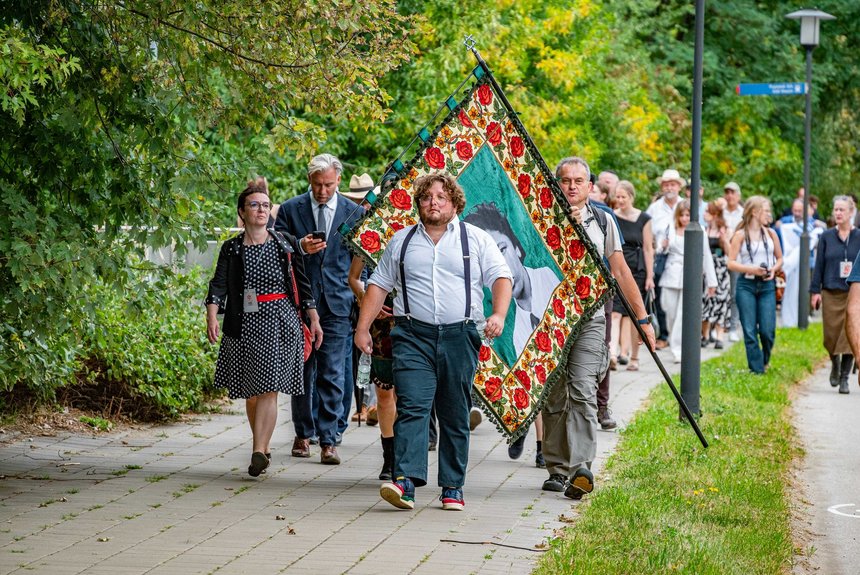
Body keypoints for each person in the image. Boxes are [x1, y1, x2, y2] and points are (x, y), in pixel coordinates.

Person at [355, 173, 513, 511]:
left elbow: (501, 276)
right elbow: (379, 285)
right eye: (427, 197)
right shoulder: (401, 241)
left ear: (455, 203)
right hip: (412, 334)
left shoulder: (477, 240)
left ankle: (452, 487)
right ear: (418, 203)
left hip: (460, 335)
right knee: (412, 406)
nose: (434, 202)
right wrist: (363, 327)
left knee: (454, 412)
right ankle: (405, 483)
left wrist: (498, 314)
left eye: (441, 197)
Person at [541, 157, 655, 500]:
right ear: (557, 184)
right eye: (565, 181)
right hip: (550, 318)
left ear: (591, 187)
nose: (572, 186)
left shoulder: (603, 221)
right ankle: (556, 468)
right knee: (555, 394)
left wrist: (643, 319)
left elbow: (620, 271)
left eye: (579, 181)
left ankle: (580, 469)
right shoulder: (542, 216)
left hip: (590, 315)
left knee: (583, 388)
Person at [205, 178, 323, 477]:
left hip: (280, 320)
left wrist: (313, 316)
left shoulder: (283, 243)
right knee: (252, 391)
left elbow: (301, 282)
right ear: (242, 212)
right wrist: (211, 315)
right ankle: (263, 443)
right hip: (243, 321)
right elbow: (218, 285)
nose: (260, 210)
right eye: (254, 205)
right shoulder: (232, 249)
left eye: (265, 206)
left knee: (269, 387)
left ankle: (259, 450)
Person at [274, 154, 364, 465]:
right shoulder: (290, 209)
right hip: (300, 300)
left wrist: (360, 293)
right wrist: (300, 245)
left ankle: (329, 439)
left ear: (338, 180)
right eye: (316, 185)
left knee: (333, 372)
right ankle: (302, 432)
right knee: (301, 370)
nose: (322, 191)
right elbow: (276, 247)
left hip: (338, 302)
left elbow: (362, 256)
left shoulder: (354, 212)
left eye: (327, 185)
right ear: (309, 181)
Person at [463, 202, 556, 466]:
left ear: (516, 246)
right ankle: (529, 430)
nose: (499, 267)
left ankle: (540, 443)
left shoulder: (551, 283)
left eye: (502, 250)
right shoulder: (514, 329)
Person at [727, 196, 783, 374]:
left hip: (767, 285)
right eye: (766, 210)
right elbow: (731, 262)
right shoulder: (740, 235)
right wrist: (750, 269)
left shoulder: (771, 234)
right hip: (746, 285)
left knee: (767, 330)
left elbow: (780, 258)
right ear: (754, 212)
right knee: (750, 330)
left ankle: (764, 361)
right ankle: (757, 370)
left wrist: (773, 269)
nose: (769, 214)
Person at [809, 196, 860, 394]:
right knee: (830, 337)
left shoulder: (859, 236)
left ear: (850, 212)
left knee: (849, 336)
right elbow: (819, 265)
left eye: (842, 210)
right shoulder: (826, 236)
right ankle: (834, 363)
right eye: (836, 209)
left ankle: (845, 377)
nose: (838, 213)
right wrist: (815, 291)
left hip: (851, 291)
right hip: (830, 291)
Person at [657, 200, 717, 363]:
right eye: (682, 215)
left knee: (682, 314)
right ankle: (673, 341)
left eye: (688, 215)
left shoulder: (701, 231)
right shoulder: (670, 230)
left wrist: (712, 281)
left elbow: (706, 256)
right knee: (669, 311)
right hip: (670, 274)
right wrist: (663, 246)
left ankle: (678, 349)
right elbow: (659, 251)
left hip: (690, 275)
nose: (684, 218)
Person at [609, 180, 654, 372]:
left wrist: (650, 276)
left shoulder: (644, 218)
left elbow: (648, 248)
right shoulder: (612, 216)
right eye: (617, 197)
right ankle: (613, 353)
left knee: (637, 315)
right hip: (618, 267)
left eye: (623, 197)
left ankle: (634, 356)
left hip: (638, 270)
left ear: (631, 197)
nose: (620, 200)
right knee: (616, 312)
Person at [647, 169, 686, 350]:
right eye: (666, 184)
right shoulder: (654, 208)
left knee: (682, 301)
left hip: (683, 257)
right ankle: (664, 334)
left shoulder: (685, 205)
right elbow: (647, 232)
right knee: (662, 300)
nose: (669, 187)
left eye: (673, 184)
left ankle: (678, 337)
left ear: (679, 187)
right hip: (661, 257)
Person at [779, 198, 824, 328]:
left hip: (807, 262)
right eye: (795, 210)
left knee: (806, 288)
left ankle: (805, 314)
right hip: (788, 264)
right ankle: (790, 317)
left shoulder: (812, 224)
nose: (797, 213)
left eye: (800, 210)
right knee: (789, 290)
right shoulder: (785, 222)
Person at [702, 200, 732, 349]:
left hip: (720, 268)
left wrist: (725, 240)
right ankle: (705, 334)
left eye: (707, 211)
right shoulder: (704, 230)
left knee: (721, 300)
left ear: (714, 214)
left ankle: (720, 336)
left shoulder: (724, 229)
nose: (704, 214)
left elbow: (730, 253)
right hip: (707, 268)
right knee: (706, 300)